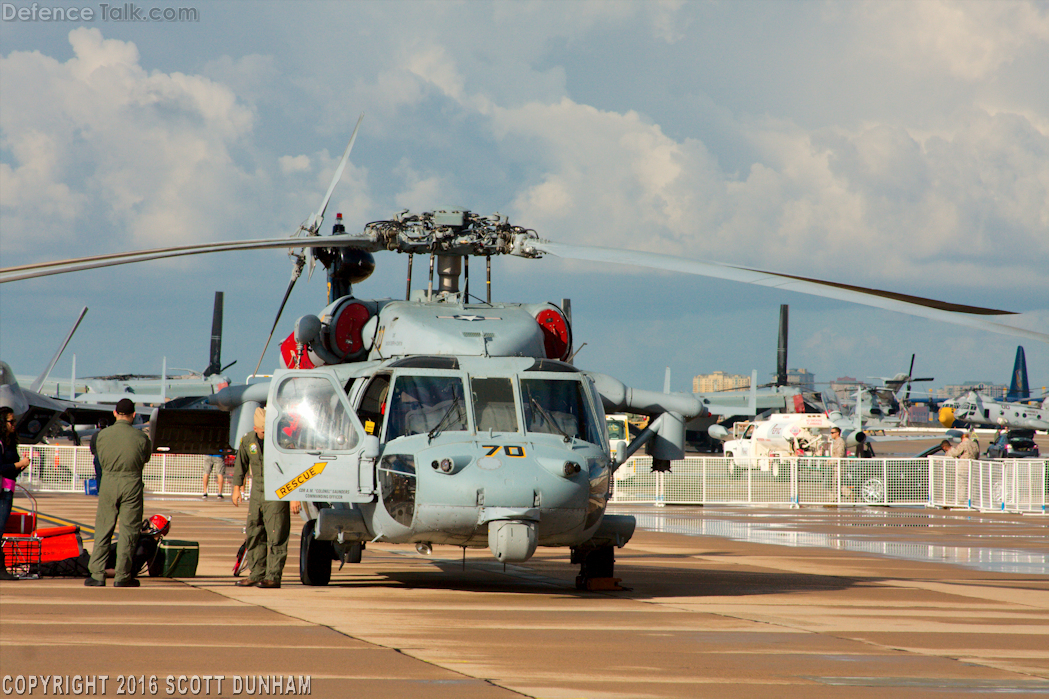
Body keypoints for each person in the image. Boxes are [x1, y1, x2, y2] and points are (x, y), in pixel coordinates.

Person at [85, 398, 152, 588]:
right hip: (131, 482)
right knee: (129, 531)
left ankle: (97, 574)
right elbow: (145, 457)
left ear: (114, 413)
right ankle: (123, 575)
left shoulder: (101, 436)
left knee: (104, 528)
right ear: (133, 415)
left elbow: (97, 454)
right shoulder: (141, 437)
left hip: (108, 481)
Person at [231, 407, 298, 589]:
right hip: (257, 492)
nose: (265, 433)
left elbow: (293, 468)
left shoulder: (282, 441)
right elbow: (240, 465)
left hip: (278, 492)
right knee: (254, 532)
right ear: (255, 428)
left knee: (276, 534)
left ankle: (273, 576)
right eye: (262, 431)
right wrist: (237, 489)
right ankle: (256, 573)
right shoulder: (247, 441)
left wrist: (294, 496)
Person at [1, 407, 32, 580]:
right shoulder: (0, 443)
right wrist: (18, 464)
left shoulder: (11, 442)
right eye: (10, 421)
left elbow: (10, 471)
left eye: (14, 421)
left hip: (8, 488)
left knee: (1, 528)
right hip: (2, 491)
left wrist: (20, 466)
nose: (14, 425)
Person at [89, 416, 111, 492]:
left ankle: (100, 491)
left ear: (98, 425)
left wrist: (95, 453)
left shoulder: (95, 435)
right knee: (108, 475)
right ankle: (107, 491)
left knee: (99, 475)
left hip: (98, 457)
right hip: (108, 457)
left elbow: (92, 446)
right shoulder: (109, 435)